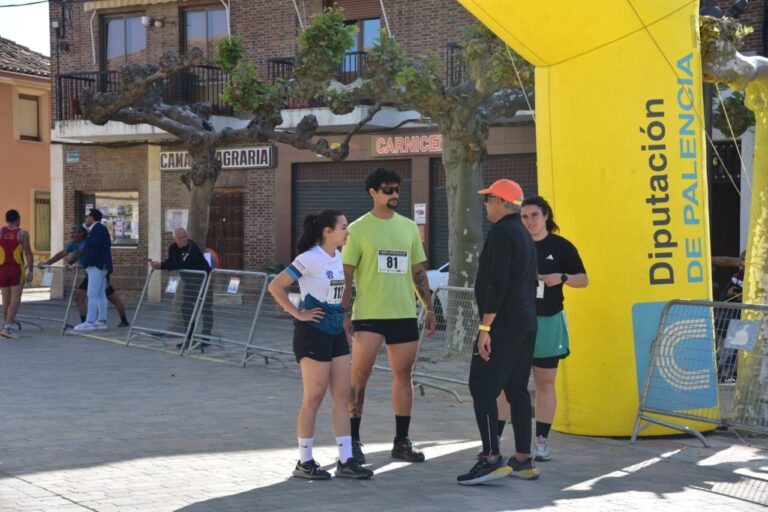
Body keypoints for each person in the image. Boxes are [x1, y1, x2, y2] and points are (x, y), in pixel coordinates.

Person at [267, 210, 373, 480]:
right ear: (327, 231)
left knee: (342, 397)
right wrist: (298, 313)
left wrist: (344, 317)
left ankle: (346, 459)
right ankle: (304, 461)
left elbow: (335, 294)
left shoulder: (337, 256)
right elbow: (276, 286)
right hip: (311, 334)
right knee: (313, 398)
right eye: (343, 228)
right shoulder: (309, 258)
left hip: (335, 333)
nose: (347, 233)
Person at [341, 168, 437, 464]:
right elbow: (346, 276)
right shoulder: (356, 229)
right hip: (368, 315)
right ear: (373, 192)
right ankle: (352, 442)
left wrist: (429, 307)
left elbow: (418, 271)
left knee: (404, 377)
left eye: (397, 190)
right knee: (359, 377)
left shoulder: (408, 227)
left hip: (404, 314)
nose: (394, 195)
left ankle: (402, 441)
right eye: (387, 190)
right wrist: (343, 314)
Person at [457, 179, 538, 486]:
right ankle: (523, 458)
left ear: (503, 202)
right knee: (516, 388)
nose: (485, 204)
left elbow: (498, 283)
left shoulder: (503, 233)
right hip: (525, 322)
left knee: (481, 386)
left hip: (503, 324)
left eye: (489, 199)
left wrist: (485, 327)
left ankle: (491, 458)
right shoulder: (523, 233)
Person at [519, 195, 588, 461]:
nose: (530, 221)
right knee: (508, 383)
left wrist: (561, 278)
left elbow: (583, 280)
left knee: (545, 383)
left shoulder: (561, 246)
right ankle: (496, 443)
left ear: (546, 215)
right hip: (517, 323)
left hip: (548, 321)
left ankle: (542, 441)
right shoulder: (516, 244)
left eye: (534, 215)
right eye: (524, 217)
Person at [39, 224, 130, 328]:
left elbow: (78, 253)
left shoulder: (86, 242)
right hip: (90, 273)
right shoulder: (73, 244)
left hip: (96, 272)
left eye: (74, 232)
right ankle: (88, 321)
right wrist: (47, 263)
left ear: (81, 233)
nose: (72, 235)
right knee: (83, 296)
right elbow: (62, 253)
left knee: (108, 297)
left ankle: (118, 321)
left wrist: (70, 262)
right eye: (71, 233)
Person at [150, 228, 212, 346]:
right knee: (186, 307)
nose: (183, 240)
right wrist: (160, 264)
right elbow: (171, 261)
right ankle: (189, 337)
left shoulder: (191, 247)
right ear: (175, 238)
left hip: (204, 279)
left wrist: (162, 266)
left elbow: (182, 264)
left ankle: (205, 338)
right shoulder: (173, 248)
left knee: (205, 309)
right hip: (190, 281)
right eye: (180, 238)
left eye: (185, 237)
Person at [73, 209, 113, 331]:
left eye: (87, 216)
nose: (85, 219)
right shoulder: (99, 229)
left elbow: (93, 250)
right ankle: (101, 320)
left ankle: (90, 321)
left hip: (97, 266)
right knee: (100, 294)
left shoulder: (97, 229)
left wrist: (83, 263)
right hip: (100, 265)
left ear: (92, 217)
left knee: (92, 293)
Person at [0, 210, 33, 339]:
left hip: (2, 269)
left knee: (5, 299)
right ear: (18, 219)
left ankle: (6, 324)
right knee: (15, 300)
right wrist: (31, 271)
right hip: (16, 269)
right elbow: (28, 253)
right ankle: (7, 327)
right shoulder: (22, 233)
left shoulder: (1, 231)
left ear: (6, 219)